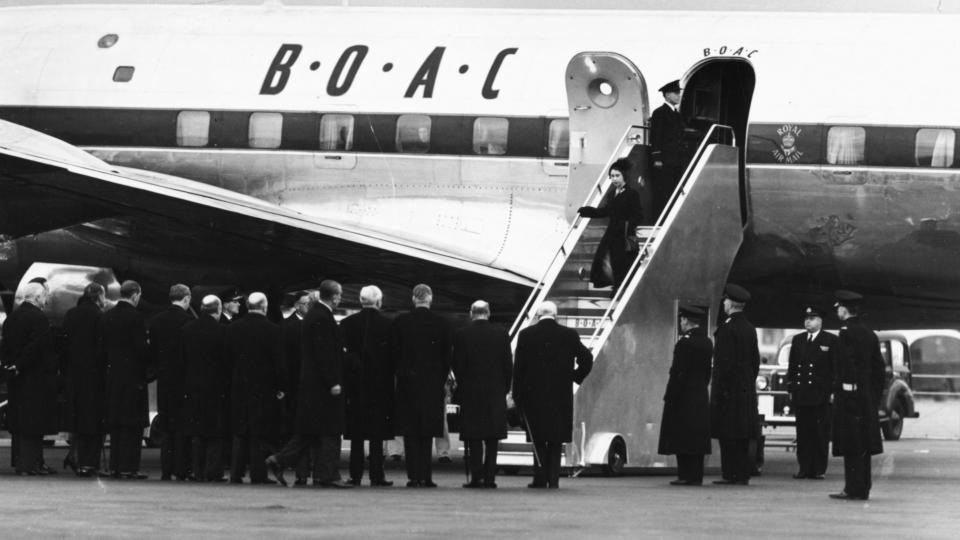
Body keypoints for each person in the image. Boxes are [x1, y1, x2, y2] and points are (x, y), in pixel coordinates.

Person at [267, 280, 351, 488]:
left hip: (312, 384)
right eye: (339, 295)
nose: (340, 299)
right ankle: (328, 474)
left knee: (309, 431)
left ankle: (279, 460)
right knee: (330, 430)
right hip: (323, 386)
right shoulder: (322, 317)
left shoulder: (314, 315)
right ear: (334, 296)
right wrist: (333, 381)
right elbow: (324, 353)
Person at [512, 301, 593, 489]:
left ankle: (539, 479)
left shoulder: (526, 335)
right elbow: (587, 359)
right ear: (555, 315)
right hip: (560, 395)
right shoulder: (569, 335)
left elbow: (519, 369)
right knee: (555, 439)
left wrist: (517, 395)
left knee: (538, 437)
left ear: (539, 315)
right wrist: (574, 376)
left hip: (534, 395)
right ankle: (553, 479)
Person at [391, 283, 451, 488]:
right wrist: (441, 379)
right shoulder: (441, 323)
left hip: (407, 384)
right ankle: (426, 476)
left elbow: (394, 355)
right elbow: (446, 357)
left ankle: (413, 476)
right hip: (431, 385)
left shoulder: (401, 322)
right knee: (426, 432)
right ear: (430, 298)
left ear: (413, 299)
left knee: (410, 432)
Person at [830, 290, 885, 501]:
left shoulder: (845, 333)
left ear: (844, 310)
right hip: (865, 398)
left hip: (849, 397)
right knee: (863, 446)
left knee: (851, 444)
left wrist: (840, 390)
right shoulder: (869, 334)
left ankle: (852, 488)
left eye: (839, 308)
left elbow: (844, 366)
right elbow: (879, 369)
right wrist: (873, 395)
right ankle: (863, 487)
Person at [227, 292, 286, 485]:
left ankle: (235, 473)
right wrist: (280, 386)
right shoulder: (273, 330)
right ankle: (258, 474)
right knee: (258, 432)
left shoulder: (233, 328)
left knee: (239, 431)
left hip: (238, 386)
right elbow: (279, 362)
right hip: (263, 387)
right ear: (264, 306)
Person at [452, 300, 512, 488]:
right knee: (492, 437)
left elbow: (458, 365)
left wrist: (462, 385)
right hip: (494, 391)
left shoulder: (462, 334)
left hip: (471, 390)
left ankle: (476, 476)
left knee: (474, 436)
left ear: (471, 313)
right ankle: (490, 477)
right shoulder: (501, 335)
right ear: (488, 313)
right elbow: (507, 365)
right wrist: (505, 388)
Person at [1, 282, 58, 475]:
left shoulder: (11, 319)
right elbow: (36, 347)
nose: (46, 300)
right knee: (34, 423)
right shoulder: (39, 318)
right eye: (44, 297)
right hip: (35, 378)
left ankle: (21, 464)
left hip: (16, 378)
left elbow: (5, 347)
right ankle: (31, 465)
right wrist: (21, 364)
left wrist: (12, 366)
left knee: (20, 422)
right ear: (37, 297)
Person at [341, 285, 395, 487]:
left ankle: (355, 475)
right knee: (377, 435)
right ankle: (376, 475)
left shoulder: (347, 323)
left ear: (360, 301)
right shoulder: (388, 325)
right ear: (379, 302)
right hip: (380, 385)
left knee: (356, 434)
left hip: (355, 385)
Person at [710, 284, 760, 486]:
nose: (724, 303)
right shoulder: (749, 328)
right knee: (742, 435)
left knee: (728, 435)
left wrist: (720, 389)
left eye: (725, 301)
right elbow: (755, 362)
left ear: (730, 304)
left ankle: (730, 473)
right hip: (745, 390)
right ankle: (741, 473)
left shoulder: (727, 328)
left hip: (728, 392)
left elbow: (723, 365)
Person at [99, 280, 150, 479]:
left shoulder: (107, 317)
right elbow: (141, 350)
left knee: (116, 424)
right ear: (135, 294)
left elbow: (102, 350)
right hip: (133, 378)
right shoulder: (136, 318)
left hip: (112, 378)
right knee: (132, 426)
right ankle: (129, 467)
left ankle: (115, 466)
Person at [657, 304, 712, 486]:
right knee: (697, 437)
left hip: (683, 396)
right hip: (700, 395)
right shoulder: (707, 342)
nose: (681, 322)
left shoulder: (684, 343)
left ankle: (685, 475)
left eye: (682, 319)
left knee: (683, 436)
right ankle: (696, 475)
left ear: (686, 321)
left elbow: (678, 373)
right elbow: (706, 373)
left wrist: (670, 396)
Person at [147, 283, 194, 481]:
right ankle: (181, 468)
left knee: (166, 425)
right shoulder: (189, 321)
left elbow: (153, 351)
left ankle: (166, 469)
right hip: (183, 379)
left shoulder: (157, 321)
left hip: (164, 379)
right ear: (186, 298)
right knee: (182, 426)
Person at [61, 282, 108, 476]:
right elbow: (101, 348)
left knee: (78, 419)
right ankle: (89, 462)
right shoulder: (99, 316)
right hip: (93, 376)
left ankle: (75, 456)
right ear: (98, 297)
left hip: (73, 375)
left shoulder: (70, 314)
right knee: (94, 420)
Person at [180, 294, 229, 482]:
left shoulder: (186, 329)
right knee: (215, 433)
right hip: (216, 387)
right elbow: (226, 361)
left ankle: (197, 470)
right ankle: (213, 471)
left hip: (192, 386)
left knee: (197, 432)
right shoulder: (222, 331)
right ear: (218, 310)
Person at [576, 158, 643, 290]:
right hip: (612, 233)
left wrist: (627, 225)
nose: (614, 179)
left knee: (621, 262)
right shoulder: (612, 194)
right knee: (609, 261)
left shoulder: (632, 194)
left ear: (624, 176)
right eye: (612, 176)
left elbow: (638, 215)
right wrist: (587, 211)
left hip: (624, 234)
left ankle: (620, 289)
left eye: (617, 176)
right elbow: (605, 211)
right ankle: (616, 287)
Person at [787, 306, 838, 480]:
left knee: (820, 433)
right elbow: (792, 367)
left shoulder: (830, 340)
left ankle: (818, 468)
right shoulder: (798, 339)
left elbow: (835, 368)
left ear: (820, 321)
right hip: (802, 393)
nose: (808, 321)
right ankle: (804, 467)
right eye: (806, 318)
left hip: (820, 395)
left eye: (812, 318)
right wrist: (791, 388)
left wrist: (832, 391)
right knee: (803, 433)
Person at [280, 291, 311, 484]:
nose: (308, 307)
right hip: (293, 385)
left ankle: (302, 471)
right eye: (306, 304)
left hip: (306, 384)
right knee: (297, 430)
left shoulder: (302, 324)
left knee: (303, 429)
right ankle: (299, 469)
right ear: (298, 305)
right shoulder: (288, 327)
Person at [649, 79, 686, 218]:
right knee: (663, 191)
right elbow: (656, 136)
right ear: (667, 95)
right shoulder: (659, 113)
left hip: (676, 160)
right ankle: (659, 219)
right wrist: (657, 158)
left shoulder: (676, 114)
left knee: (674, 190)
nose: (679, 96)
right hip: (665, 160)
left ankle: (670, 219)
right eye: (676, 93)